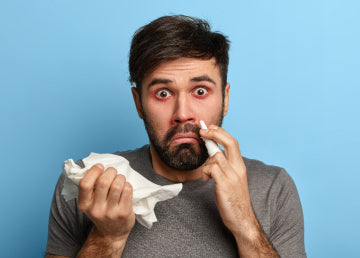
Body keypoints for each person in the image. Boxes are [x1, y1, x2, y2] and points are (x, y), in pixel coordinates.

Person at [45, 15, 306, 257]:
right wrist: (107, 237)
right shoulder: (89, 182)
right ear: (138, 104)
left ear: (225, 98)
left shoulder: (274, 188)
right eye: (163, 93)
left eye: (200, 91)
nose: (183, 114)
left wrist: (246, 223)